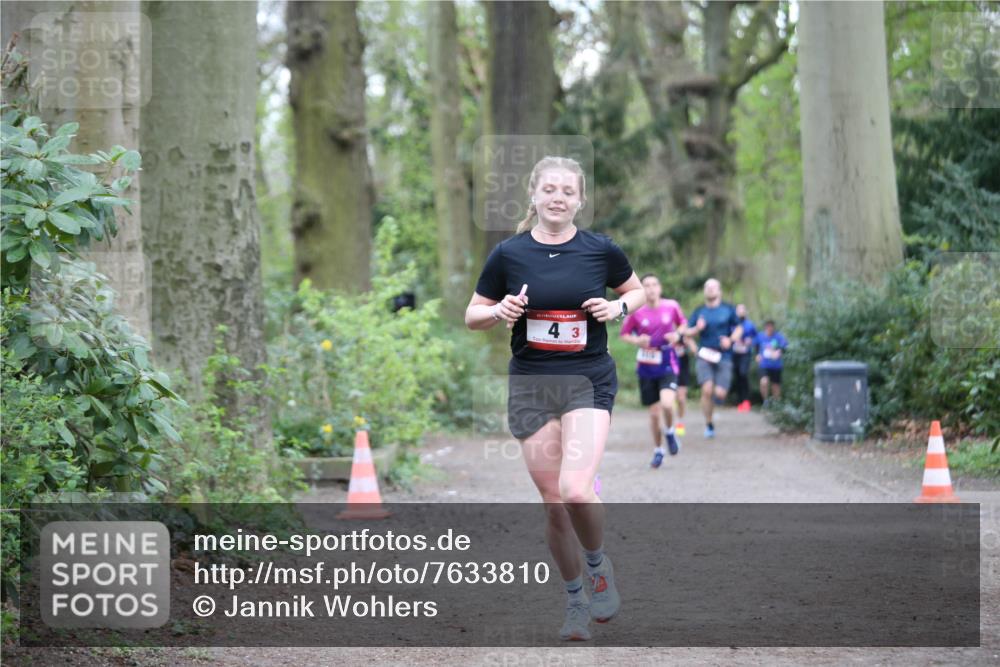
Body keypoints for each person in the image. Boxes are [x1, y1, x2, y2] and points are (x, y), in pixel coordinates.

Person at [465, 155, 644, 642]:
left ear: (580, 200)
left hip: (587, 378)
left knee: (576, 490)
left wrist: (618, 306)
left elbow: (638, 292)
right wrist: (499, 308)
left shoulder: (600, 250)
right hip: (531, 383)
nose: (558, 198)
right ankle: (574, 603)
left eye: (568, 191)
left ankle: (597, 564)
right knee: (552, 503)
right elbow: (472, 314)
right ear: (534, 196)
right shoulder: (508, 254)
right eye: (550, 190)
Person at [619, 273, 685, 467]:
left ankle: (671, 431)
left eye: (654, 284)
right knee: (654, 414)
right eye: (646, 285)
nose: (651, 288)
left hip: (667, 361)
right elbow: (624, 335)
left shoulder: (671, 306)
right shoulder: (636, 312)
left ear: (660, 288)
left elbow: (683, 324)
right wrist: (638, 340)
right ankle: (658, 450)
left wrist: (677, 335)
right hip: (646, 366)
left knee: (666, 404)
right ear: (642, 289)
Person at [683, 278, 742, 439]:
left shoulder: (728, 309)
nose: (710, 289)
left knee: (720, 394)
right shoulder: (699, 311)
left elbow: (739, 329)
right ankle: (709, 424)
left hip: (724, 356)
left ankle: (714, 407)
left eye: (713, 287)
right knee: (707, 389)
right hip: (705, 355)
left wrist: (730, 340)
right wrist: (696, 342)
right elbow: (686, 334)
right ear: (704, 291)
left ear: (719, 291)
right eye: (707, 287)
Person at [755, 319, 788, 404]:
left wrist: (779, 351)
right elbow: (756, 346)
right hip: (764, 365)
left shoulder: (778, 337)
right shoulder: (760, 336)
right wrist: (757, 355)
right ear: (765, 327)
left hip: (776, 365)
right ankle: (765, 401)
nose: (770, 328)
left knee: (775, 386)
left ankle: (776, 404)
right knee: (764, 382)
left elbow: (784, 345)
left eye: (771, 326)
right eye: (768, 326)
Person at [732, 304, 757, 412]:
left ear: (745, 312)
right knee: (737, 376)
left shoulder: (750, 325)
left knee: (743, 374)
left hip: (745, 353)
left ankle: (746, 400)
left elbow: (757, 338)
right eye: (739, 310)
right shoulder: (732, 324)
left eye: (742, 310)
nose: (741, 312)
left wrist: (751, 341)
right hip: (734, 353)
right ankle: (739, 401)